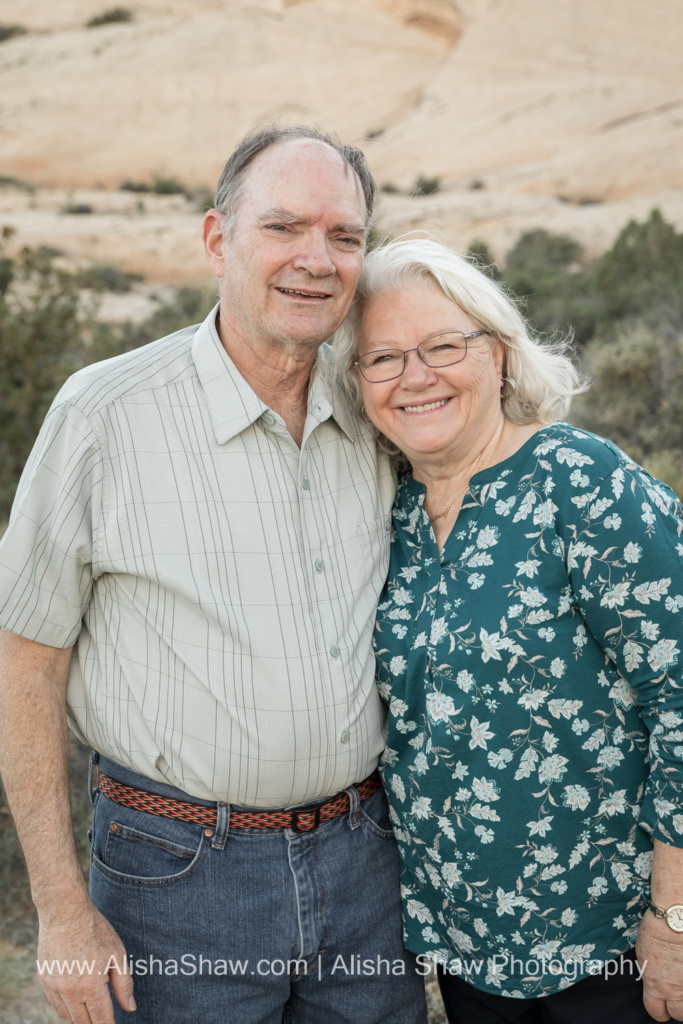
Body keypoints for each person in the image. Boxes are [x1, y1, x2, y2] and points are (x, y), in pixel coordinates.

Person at [0, 127, 428, 1024]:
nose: (316, 261)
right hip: (174, 874)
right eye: (283, 228)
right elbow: (23, 661)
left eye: (344, 238)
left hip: (364, 863)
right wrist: (61, 907)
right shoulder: (103, 415)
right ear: (215, 239)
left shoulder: (384, 409)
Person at [329, 236, 683, 1023]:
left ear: (498, 354)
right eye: (381, 358)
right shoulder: (385, 512)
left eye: (442, 346)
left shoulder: (580, 483)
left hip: (612, 942)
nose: (413, 377)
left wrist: (674, 922)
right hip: (469, 951)